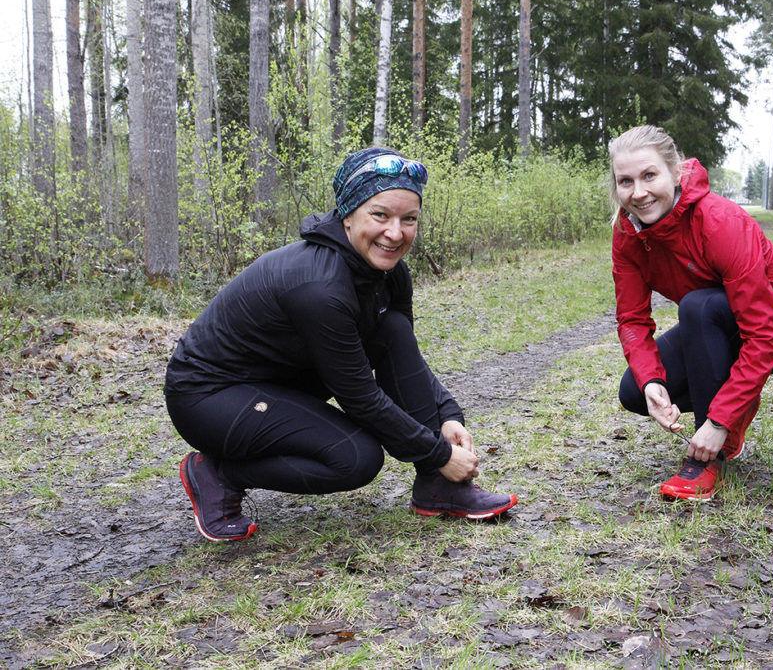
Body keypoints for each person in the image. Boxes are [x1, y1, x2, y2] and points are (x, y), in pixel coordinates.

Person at [164, 147, 517, 541]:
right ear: (348, 214)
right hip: (210, 397)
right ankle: (217, 474)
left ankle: (439, 487)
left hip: (279, 382)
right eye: (380, 215)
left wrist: (447, 417)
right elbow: (360, 397)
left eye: (409, 219)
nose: (395, 233)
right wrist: (439, 453)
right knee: (355, 458)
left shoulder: (390, 274)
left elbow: (402, 358)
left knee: (393, 330)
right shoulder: (320, 286)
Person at [608, 125, 773, 501]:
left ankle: (710, 457)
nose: (638, 193)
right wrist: (652, 381)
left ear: (675, 173)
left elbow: (764, 334)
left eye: (649, 175)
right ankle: (735, 401)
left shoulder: (718, 220)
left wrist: (718, 421)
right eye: (626, 181)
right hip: (720, 321)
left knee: (699, 305)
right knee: (634, 392)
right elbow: (633, 320)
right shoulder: (628, 235)